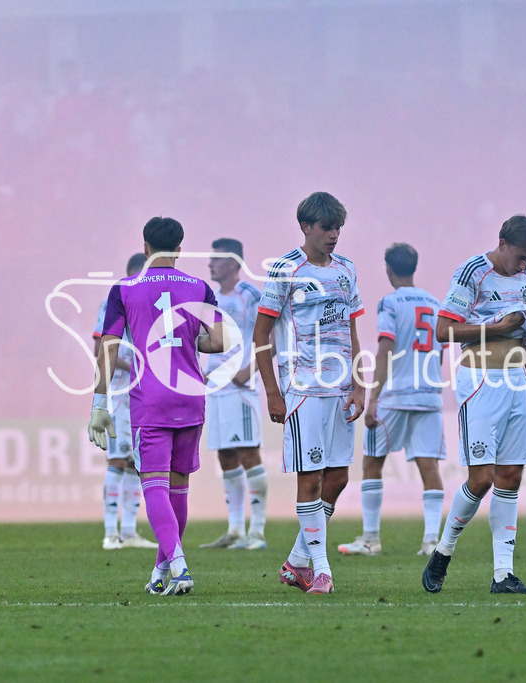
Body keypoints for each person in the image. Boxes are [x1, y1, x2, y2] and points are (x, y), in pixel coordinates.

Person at [89, 216, 226, 597]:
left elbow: (108, 345)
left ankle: (179, 567)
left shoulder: (126, 289)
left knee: (153, 483)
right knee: (179, 486)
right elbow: (219, 341)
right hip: (190, 393)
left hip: (150, 398)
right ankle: (161, 570)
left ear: (145, 247)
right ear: (180, 248)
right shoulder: (199, 287)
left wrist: (100, 401)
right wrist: (185, 341)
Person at [421, 214, 526, 595]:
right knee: (481, 479)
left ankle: (502, 575)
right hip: (479, 380)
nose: (524, 266)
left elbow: (524, 333)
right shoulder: (472, 271)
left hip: (516, 382)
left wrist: (525, 376)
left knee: (511, 476)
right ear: (503, 244)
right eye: (520, 257)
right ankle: (443, 551)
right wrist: (495, 329)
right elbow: (442, 330)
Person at [253, 191, 365, 595]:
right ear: (306, 226)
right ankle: (322, 571)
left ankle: (297, 563)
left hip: (340, 391)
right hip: (302, 389)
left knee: (338, 479)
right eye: (327, 227)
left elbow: (352, 331)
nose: (334, 234)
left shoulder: (347, 270)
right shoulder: (285, 269)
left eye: (338, 227)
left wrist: (359, 383)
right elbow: (261, 334)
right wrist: (272, 392)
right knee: (311, 480)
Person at [338, 243, 447, 557]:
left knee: (372, 463)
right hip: (429, 396)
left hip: (396, 395)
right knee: (429, 466)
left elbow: (385, 348)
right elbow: (439, 351)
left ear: (388, 269)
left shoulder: (389, 302)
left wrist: (373, 399)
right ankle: (431, 542)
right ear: (414, 267)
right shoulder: (435, 303)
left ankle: (371, 539)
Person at [199, 238, 268, 551]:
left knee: (249, 453)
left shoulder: (250, 294)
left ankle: (259, 531)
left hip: (241, 389)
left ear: (233, 263)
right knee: (225, 455)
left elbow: (272, 336)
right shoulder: (210, 298)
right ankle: (236, 529)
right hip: (216, 388)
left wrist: (250, 369)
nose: (210, 263)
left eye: (216, 259)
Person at [92, 252, 159, 551]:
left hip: (145, 394)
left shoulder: (152, 300)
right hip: (120, 392)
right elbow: (100, 348)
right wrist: (134, 367)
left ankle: (129, 531)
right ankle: (110, 533)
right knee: (117, 460)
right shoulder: (115, 300)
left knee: (135, 462)